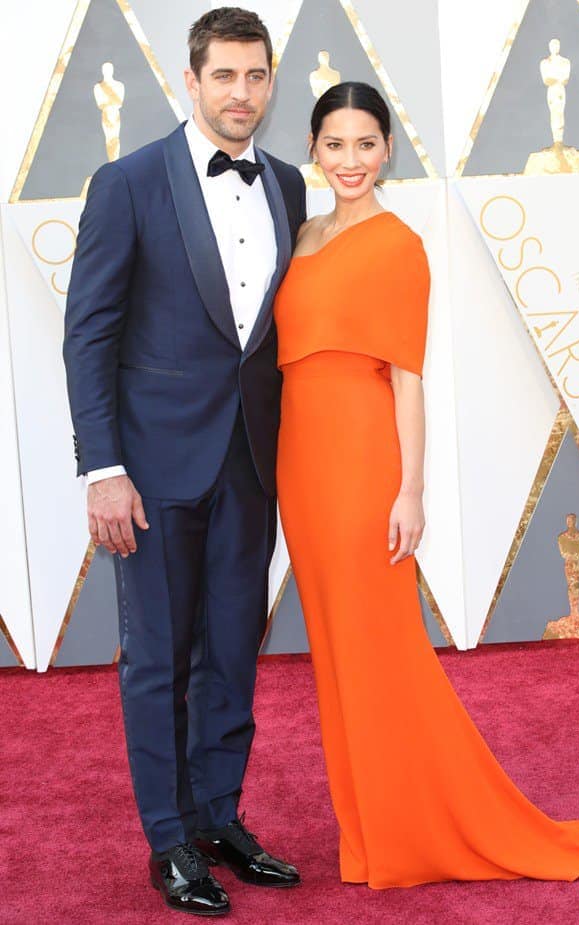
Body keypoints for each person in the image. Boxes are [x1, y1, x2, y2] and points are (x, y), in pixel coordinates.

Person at [273, 81, 579, 889]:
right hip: (298, 467)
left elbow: (408, 380)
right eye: (335, 144)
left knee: (382, 650)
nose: (351, 160)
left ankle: (417, 827)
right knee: (338, 657)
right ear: (313, 147)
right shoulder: (301, 234)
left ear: (388, 150)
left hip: (360, 464)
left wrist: (409, 489)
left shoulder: (398, 242)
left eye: (367, 144)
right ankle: (371, 831)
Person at [64, 8, 305, 916]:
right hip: (153, 470)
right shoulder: (126, 183)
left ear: (269, 80)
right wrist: (103, 468)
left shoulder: (286, 183)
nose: (242, 93)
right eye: (225, 77)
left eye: (256, 76)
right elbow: (88, 333)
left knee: (232, 653)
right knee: (158, 661)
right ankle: (168, 841)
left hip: (250, 460)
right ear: (191, 80)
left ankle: (217, 818)